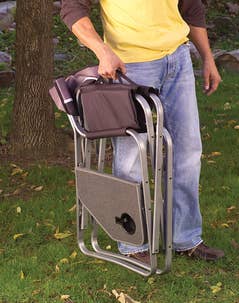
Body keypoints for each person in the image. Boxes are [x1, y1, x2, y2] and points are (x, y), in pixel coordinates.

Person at [60, 0, 225, 263]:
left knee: (188, 151)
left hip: (178, 60)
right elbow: (72, 9)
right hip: (132, 65)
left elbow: (190, 6)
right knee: (131, 159)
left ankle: (185, 238)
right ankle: (132, 244)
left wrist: (207, 58)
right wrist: (103, 51)